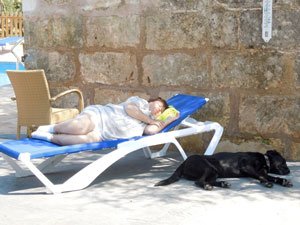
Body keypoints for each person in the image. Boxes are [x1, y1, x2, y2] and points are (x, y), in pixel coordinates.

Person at [32, 96, 180, 145]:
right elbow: (129, 108)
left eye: (161, 110)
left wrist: (169, 119)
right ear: (152, 101)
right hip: (100, 117)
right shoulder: (140, 102)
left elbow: (151, 131)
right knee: (80, 127)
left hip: (104, 135)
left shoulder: (151, 122)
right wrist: (149, 119)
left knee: (80, 140)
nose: (158, 110)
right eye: (159, 105)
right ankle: (51, 128)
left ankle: (48, 137)